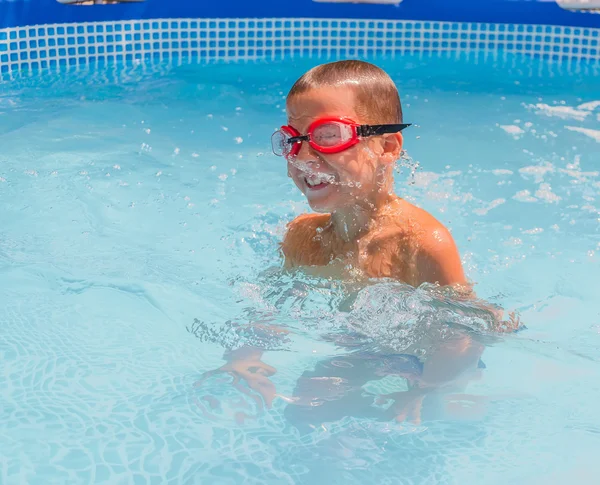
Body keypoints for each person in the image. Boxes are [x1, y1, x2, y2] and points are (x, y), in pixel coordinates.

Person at [194, 60, 520, 427]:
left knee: (447, 417)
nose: (303, 158)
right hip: (362, 348)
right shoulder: (302, 236)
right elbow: (271, 306)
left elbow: (464, 337)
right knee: (307, 405)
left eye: (329, 136)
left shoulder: (422, 243)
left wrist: (425, 388)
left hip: (429, 361)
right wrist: (244, 357)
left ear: (387, 147)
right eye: (292, 140)